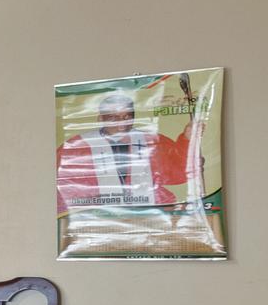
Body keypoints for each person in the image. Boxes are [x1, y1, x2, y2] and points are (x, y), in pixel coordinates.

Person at [55, 75, 199, 213]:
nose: (122, 123)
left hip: (153, 214)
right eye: (114, 117)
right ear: (100, 118)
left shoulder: (152, 141)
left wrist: (186, 140)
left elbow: (179, 171)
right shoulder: (75, 147)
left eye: (127, 116)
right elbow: (64, 190)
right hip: (100, 220)